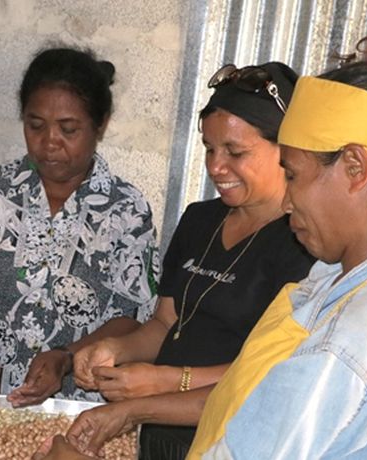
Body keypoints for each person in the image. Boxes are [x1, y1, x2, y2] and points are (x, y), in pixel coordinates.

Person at [40, 39, 367, 460]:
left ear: (355, 168)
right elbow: (251, 389)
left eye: (294, 174)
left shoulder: (351, 337)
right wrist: (133, 407)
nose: (287, 202)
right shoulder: (350, 277)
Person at [70, 61, 314, 459]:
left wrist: (165, 382)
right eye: (210, 148)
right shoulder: (199, 220)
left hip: (229, 440)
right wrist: (116, 350)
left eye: (235, 151)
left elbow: (268, 374)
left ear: (285, 150)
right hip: (158, 433)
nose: (216, 166)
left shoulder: (303, 244)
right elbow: (166, 323)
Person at [0, 47, 159, 409]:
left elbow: (131, 317)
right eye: (35, 126)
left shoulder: (126, 209)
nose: (50, 142)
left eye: (69, 129)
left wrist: (67, 357)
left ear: (99, 125)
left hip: (78, 411)